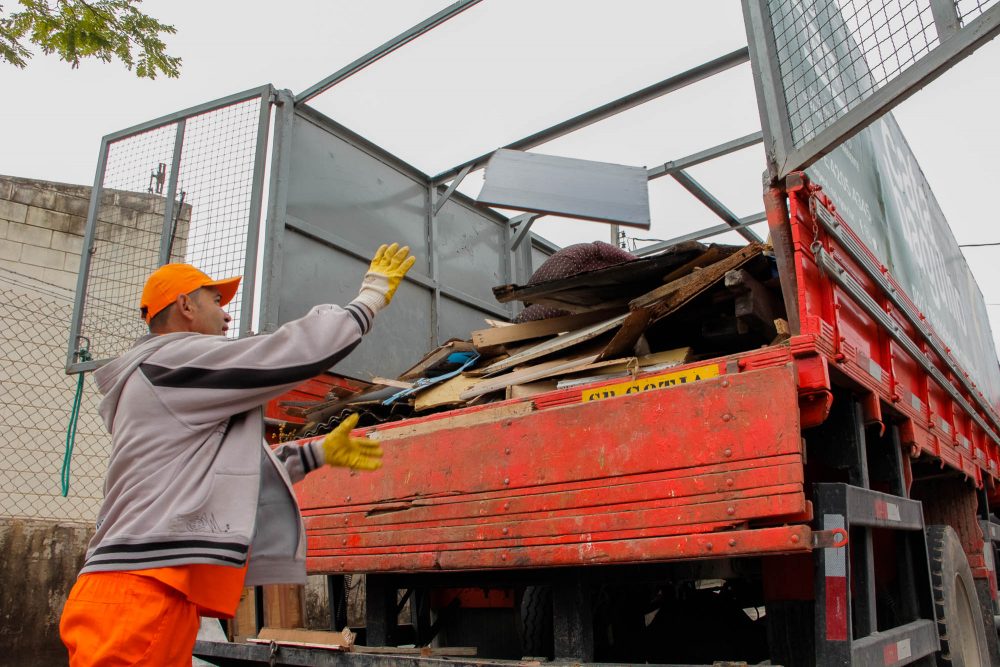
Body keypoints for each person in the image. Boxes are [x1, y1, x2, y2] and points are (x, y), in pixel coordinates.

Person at [59, 243, 416, 666]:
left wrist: (315, 454)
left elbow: (227, 473)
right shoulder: (171, 361)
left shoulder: (166, 380)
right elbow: (288, 353)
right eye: (216, 301)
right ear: (184, 305)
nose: (227, 314)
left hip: (140, 587)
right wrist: (369, 299)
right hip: (138, 590)